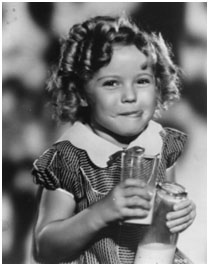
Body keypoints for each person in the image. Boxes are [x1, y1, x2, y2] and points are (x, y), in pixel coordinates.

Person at [31, 15, 196, 264]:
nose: (130, 95)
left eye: (142, 81)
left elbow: (161, 219)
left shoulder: (161, 143)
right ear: (81, 93)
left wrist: (178, 214)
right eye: (111, 83)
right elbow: (45, 249)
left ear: (158, 84)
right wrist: (100, 213)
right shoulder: (67, 158)